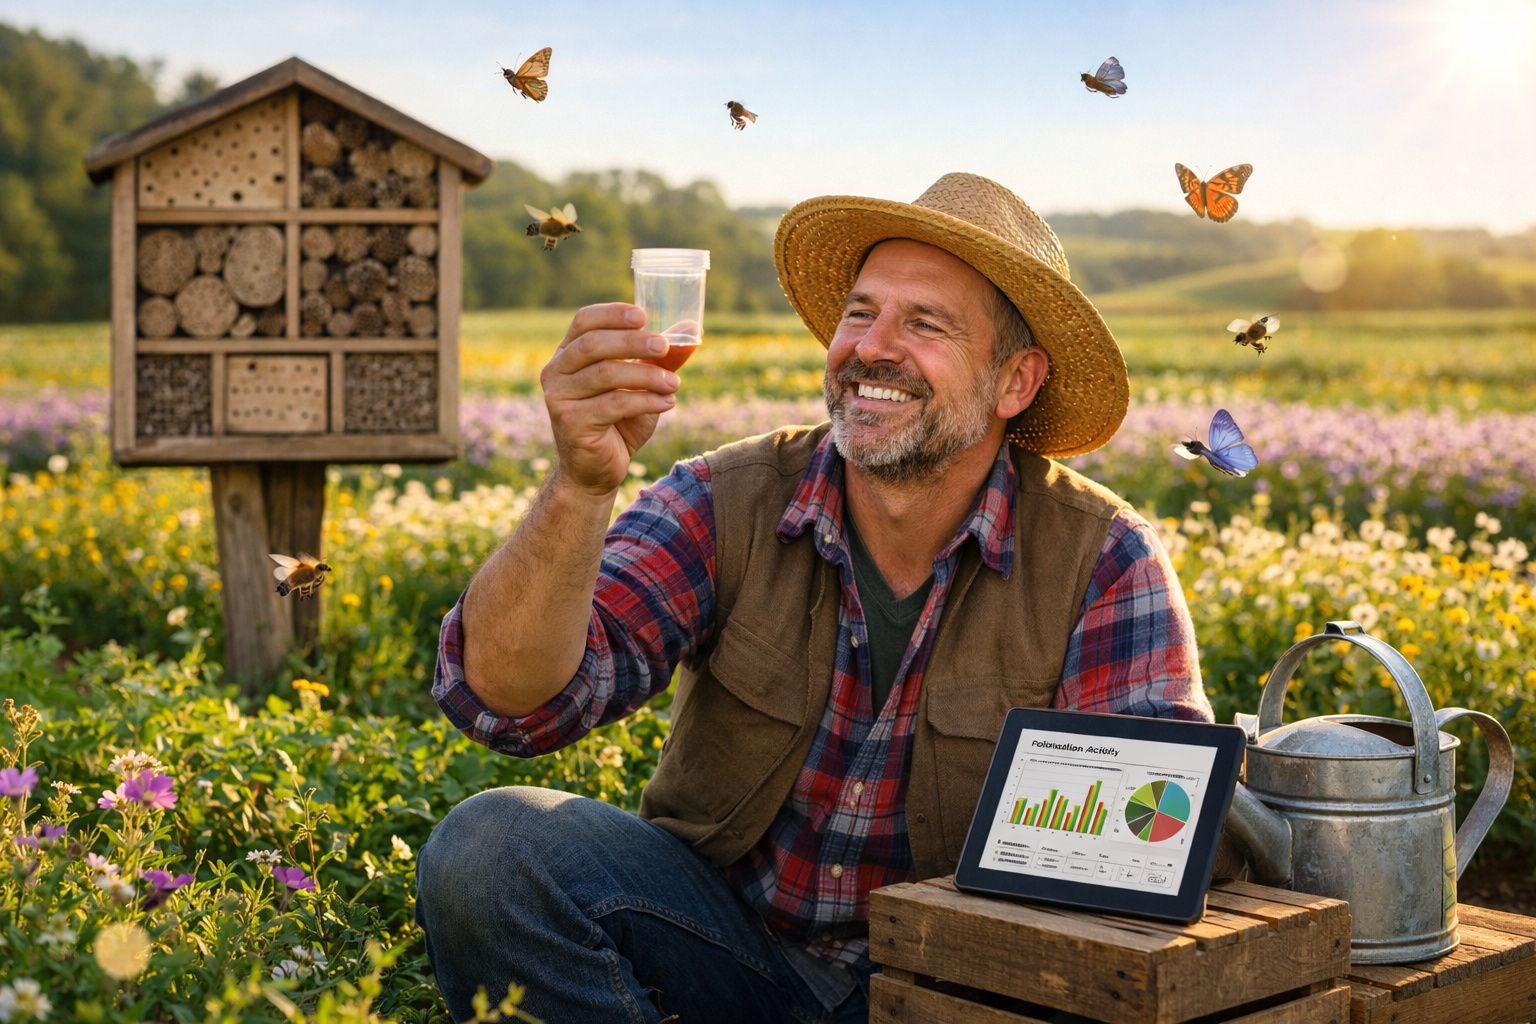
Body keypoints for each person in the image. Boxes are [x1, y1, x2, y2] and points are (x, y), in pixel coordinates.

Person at [416, 172, 1216, 1023]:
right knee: (488, 849)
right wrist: (579, 486)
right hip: (729, 949)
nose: (872, 347)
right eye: (860, 313)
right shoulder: (725, 498)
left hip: (959, 990)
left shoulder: (1103, 558)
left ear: (1015, 382)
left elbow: (1140, 863)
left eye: (925, 323)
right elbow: (512, 703)